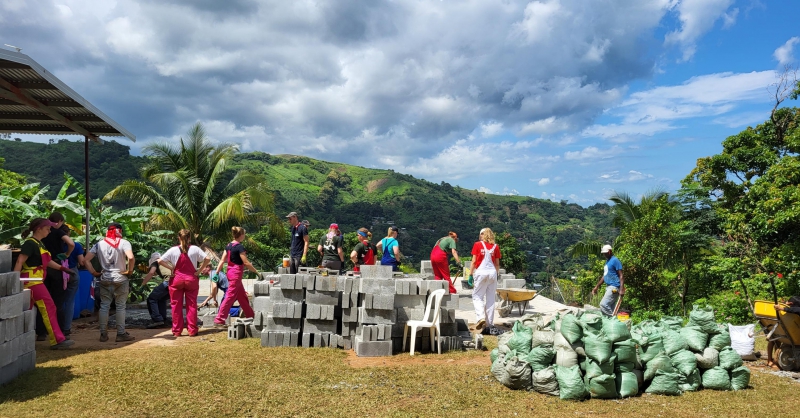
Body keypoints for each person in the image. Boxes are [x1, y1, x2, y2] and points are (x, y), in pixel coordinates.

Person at [13, 218, 74, 349]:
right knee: (49, 306)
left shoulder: (39, 243)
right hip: (31, 281)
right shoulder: (30, 244)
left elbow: (48, 262)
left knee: (26, 311)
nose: (49, 230)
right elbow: (20, 261)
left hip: (35, 280)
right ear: (39, 229)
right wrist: (14, 281)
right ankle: (57, 340)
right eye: (47, 228)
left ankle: (21, 341)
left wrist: (63, 268)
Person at [84, 222, 136, 343]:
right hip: (120, 279)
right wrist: (130, 271)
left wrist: (94, 272)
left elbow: (86, 260)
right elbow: (131, 257)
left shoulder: (99, 244)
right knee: (120, 306)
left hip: (105, 279)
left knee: (104, 306)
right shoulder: (124, 243)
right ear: (120, 231)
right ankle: (121, 333)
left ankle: (103, 334)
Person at [158, 229, 210, 337]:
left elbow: (159, 261)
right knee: (191, 305)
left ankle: (177, 331)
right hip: (191, 279)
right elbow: (207, 258)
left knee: (176, 305)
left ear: (178, 238)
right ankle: (192, 330)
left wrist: (171, 268)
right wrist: (200, 270)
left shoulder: (173, 250)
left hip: (177, 279)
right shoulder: (195, 249)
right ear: (189, 238)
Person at [37, 212, 76, 338]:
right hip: (57, 267)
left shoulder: (41, 232)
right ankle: (62, 331)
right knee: (58, 302)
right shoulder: (58, 232)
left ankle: (41, 332)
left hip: (42, 268)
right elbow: (71, 243)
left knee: (42, 301)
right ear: (59, 221)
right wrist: (67, 254)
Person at [212, 227, 257, 327]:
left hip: (230, 273)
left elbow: (222, 260)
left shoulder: (228, 246)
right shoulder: (239, 247)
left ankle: (251, 315)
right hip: (236, 274)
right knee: (229, 296)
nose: (244, 236)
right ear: (241, 235)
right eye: (244, 234)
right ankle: (219, 319)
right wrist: (256, 272)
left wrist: (217, 273)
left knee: (242, 297)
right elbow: (246, 262)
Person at [471, 228, 502, 332]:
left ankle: (480, 317)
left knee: (477, 296)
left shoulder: (477, 245)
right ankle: (489, 324)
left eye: (481, 234)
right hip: (492, 273)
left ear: (483, 235)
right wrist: (496, 275)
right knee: (490, 299)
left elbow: (474, 261)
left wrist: (470, 274)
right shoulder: (495, 247)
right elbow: (497, 264)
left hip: (481, 272)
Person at [57, 224, 83, 337]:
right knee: (69, 301)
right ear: (69, 234)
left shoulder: (55, 247)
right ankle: (66, 328)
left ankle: (56, 327)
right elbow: (82, 262)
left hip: (57, 272)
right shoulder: (76, 246)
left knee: (57, 301)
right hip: (72, 272)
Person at [767, 296, 800, 369]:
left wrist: (783, 308)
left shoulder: (793, 309)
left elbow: (797, 309)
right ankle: (770, 360)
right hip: (784, 328)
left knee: (776, 339)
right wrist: (784, 305)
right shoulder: (785, 307)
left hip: (793, 331)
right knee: (775, 339)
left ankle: (775, 361)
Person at [592, 244, 624, 317]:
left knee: (603, 304)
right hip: (609, 287)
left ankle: (613, 320)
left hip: (614, 287)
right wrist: (597, 287)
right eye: (603, 253)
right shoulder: (607, 262)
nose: (604, 255)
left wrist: (621, 289)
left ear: (609, 252)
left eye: (605, 253)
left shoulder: (615, 260)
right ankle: (613, 325)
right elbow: (604, 276)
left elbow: (621, 275)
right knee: (611, 308)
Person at [141, 252, 170, 329]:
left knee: (152, 299)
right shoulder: (166, 261)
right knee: (161, 299)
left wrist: (143, 284)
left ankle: (157, 320)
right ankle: (163, 319)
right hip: (175, 282)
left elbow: (151, 273)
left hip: (168, 282)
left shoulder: (155, 262)